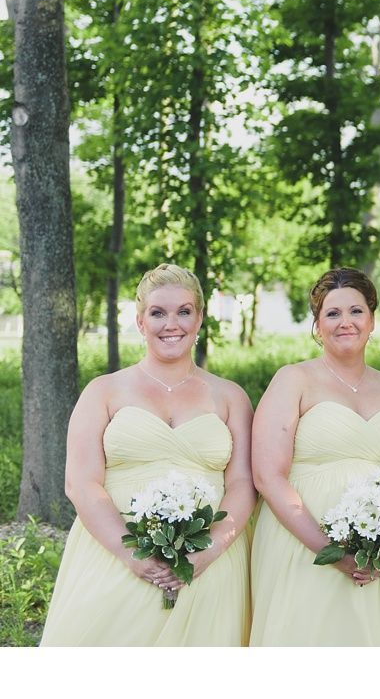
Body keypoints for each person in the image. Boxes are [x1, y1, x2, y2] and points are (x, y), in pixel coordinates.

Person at [41, 264, 253, 646]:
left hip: (207, 563)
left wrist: (210, 550)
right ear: (140, 322)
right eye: (158, 313)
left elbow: (242, 484)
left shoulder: (230, 396)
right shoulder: (103, 391)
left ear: (200, 317)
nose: (171, 323)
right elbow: (81, 482)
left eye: (184, 311)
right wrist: (132, 554)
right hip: (114, 553)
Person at [248, 267, 380, 646]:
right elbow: (268, 477)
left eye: (356, 311)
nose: (346, 322)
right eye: (333, 313)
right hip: (303, 543)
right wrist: (331, 552)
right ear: (317, 325)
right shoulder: (293, 380)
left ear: (372, 319)